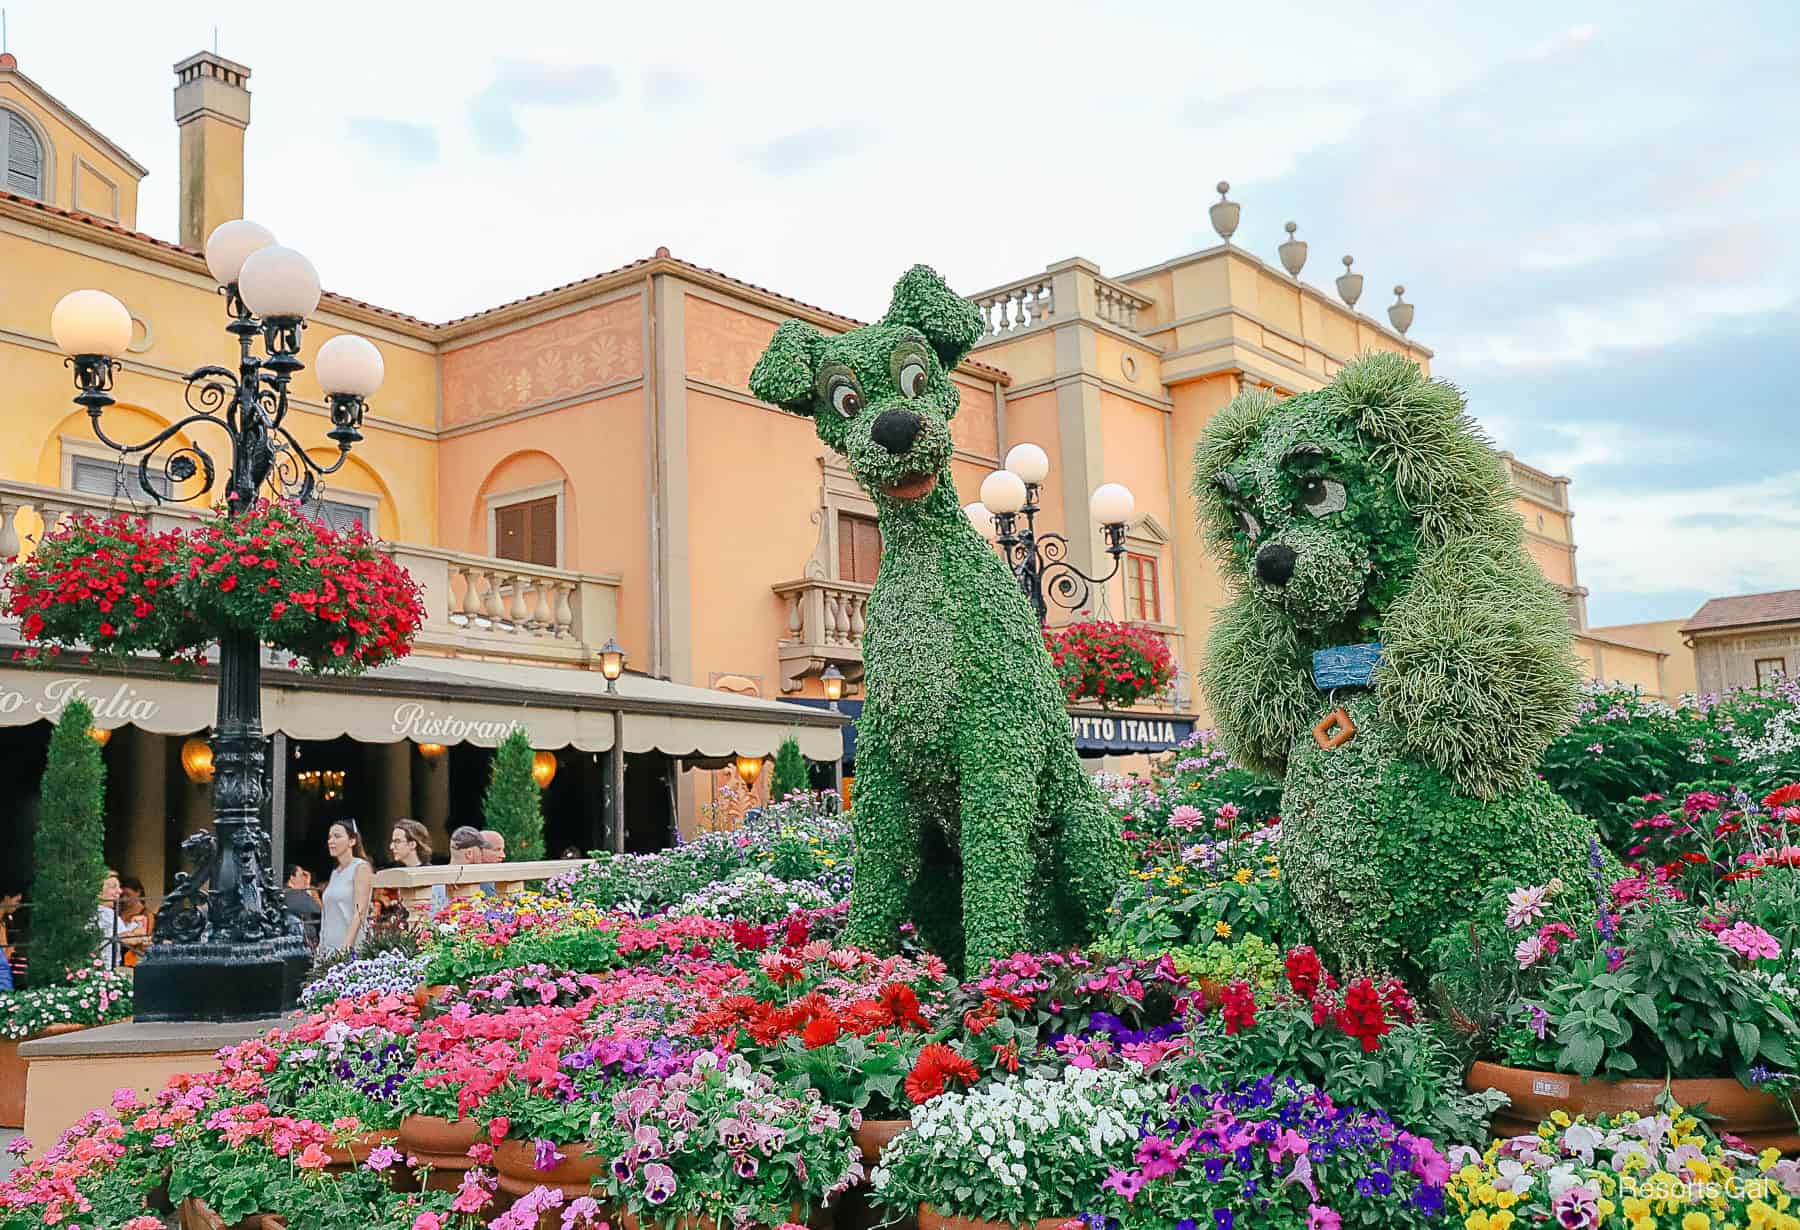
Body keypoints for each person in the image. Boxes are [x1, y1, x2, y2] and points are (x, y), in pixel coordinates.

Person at [318, 819, 374, 955]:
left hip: (349, 946)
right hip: (328, 946)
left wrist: (346, 947)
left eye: (337, 836)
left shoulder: (361, 868)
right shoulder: (335, 873)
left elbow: (360, 910)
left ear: (352, 841)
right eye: (329, 837)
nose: (331, 841)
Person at [386, 817, 446, 916]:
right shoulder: (400, 874)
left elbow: (437, 912)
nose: (391, 847)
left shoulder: (432, 875)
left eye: (397, 841)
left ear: (412, 844)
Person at [115, 875, 153, 968]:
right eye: (122, 896)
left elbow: (146, 938)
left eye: (128, 895)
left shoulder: (147, 915)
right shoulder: (118, 912)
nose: (124, 899)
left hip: (133, 958)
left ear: (138, 892)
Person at [284, 864, 323, 950]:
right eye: (302, 875)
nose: (305, 879)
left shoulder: (287, 893)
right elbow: (319, 910)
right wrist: (308, 888)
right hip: (305, 945)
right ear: (292, 878)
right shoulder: (295, 895)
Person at [96, 869, 124, 969]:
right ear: (98, 892)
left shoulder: (109, 912)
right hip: (105, 970)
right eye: (113, 887)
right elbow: (127, 938)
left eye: (119, 887)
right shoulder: (105, 912)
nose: (120, 891)